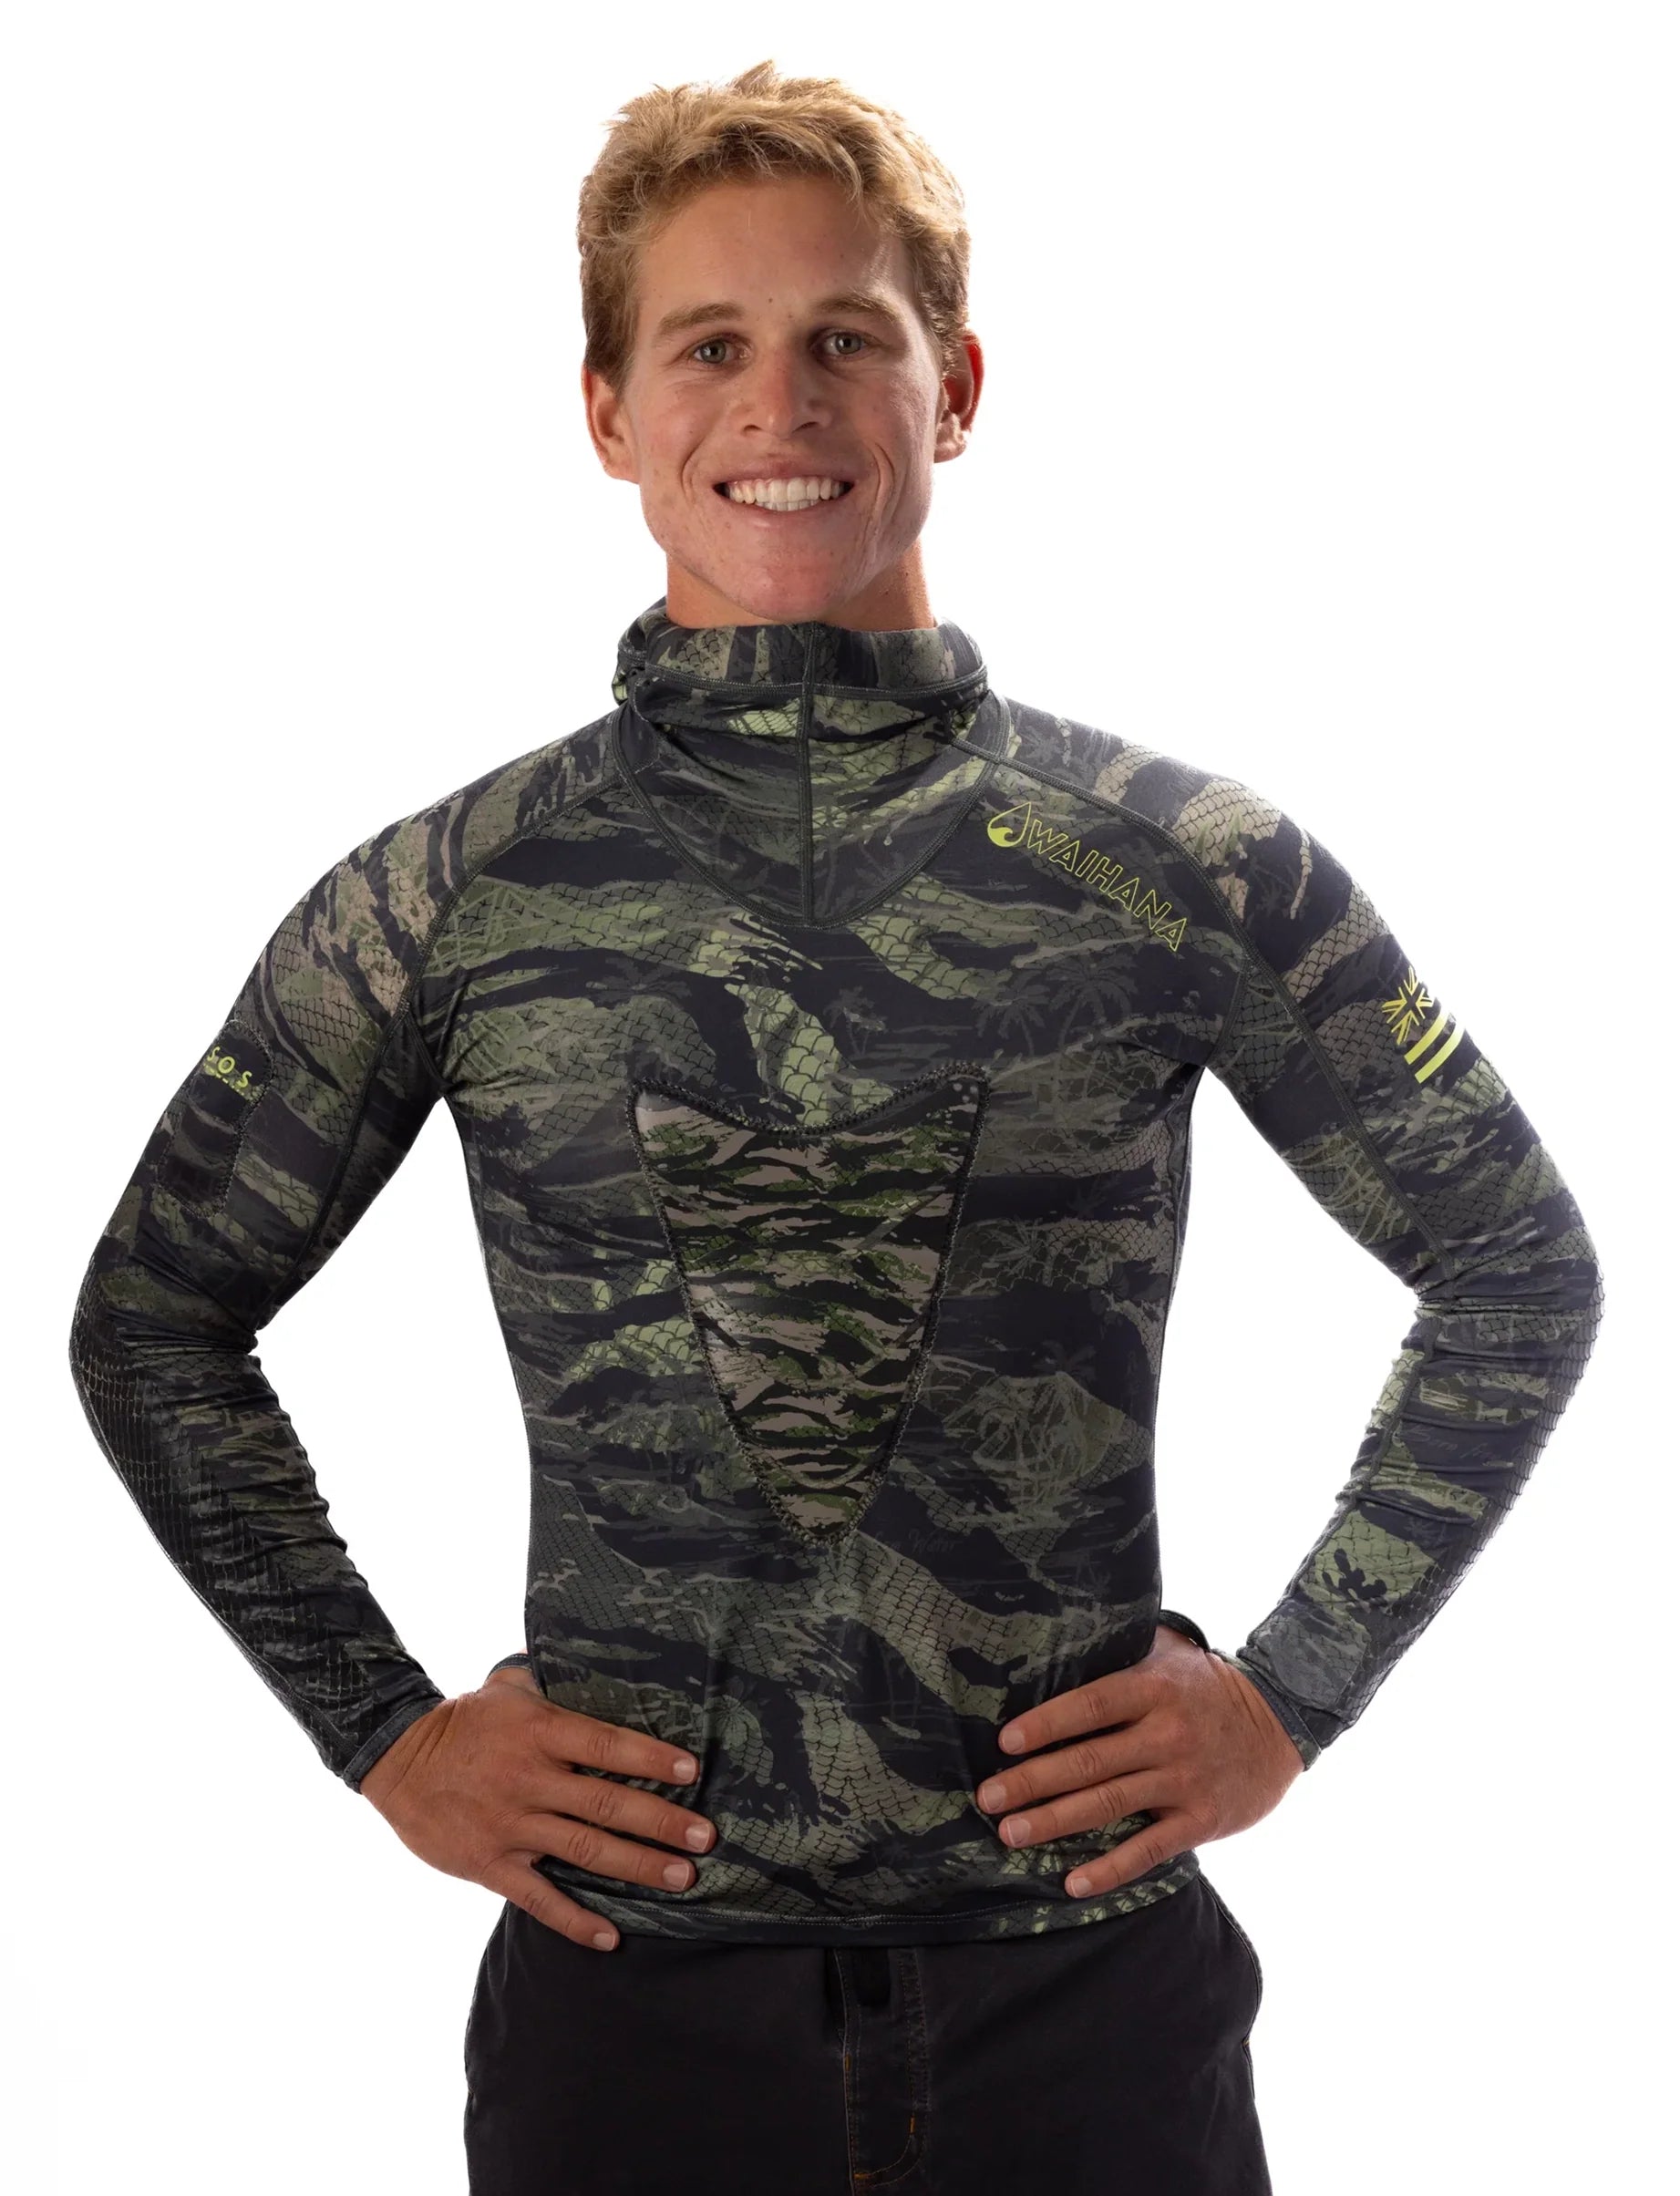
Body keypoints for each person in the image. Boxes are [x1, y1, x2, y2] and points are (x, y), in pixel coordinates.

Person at [67, 55, 1604, 2196]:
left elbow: (1516, 1264)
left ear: (952, 388)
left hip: (1084, 1997)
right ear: (607, 412)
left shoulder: (1182, 859)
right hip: (631, 2006)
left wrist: (1288, 1691)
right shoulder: (449, 894)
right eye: (707, 344)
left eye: (843, 340)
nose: (776, 404)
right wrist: (387, 1733)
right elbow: (154, 1315)